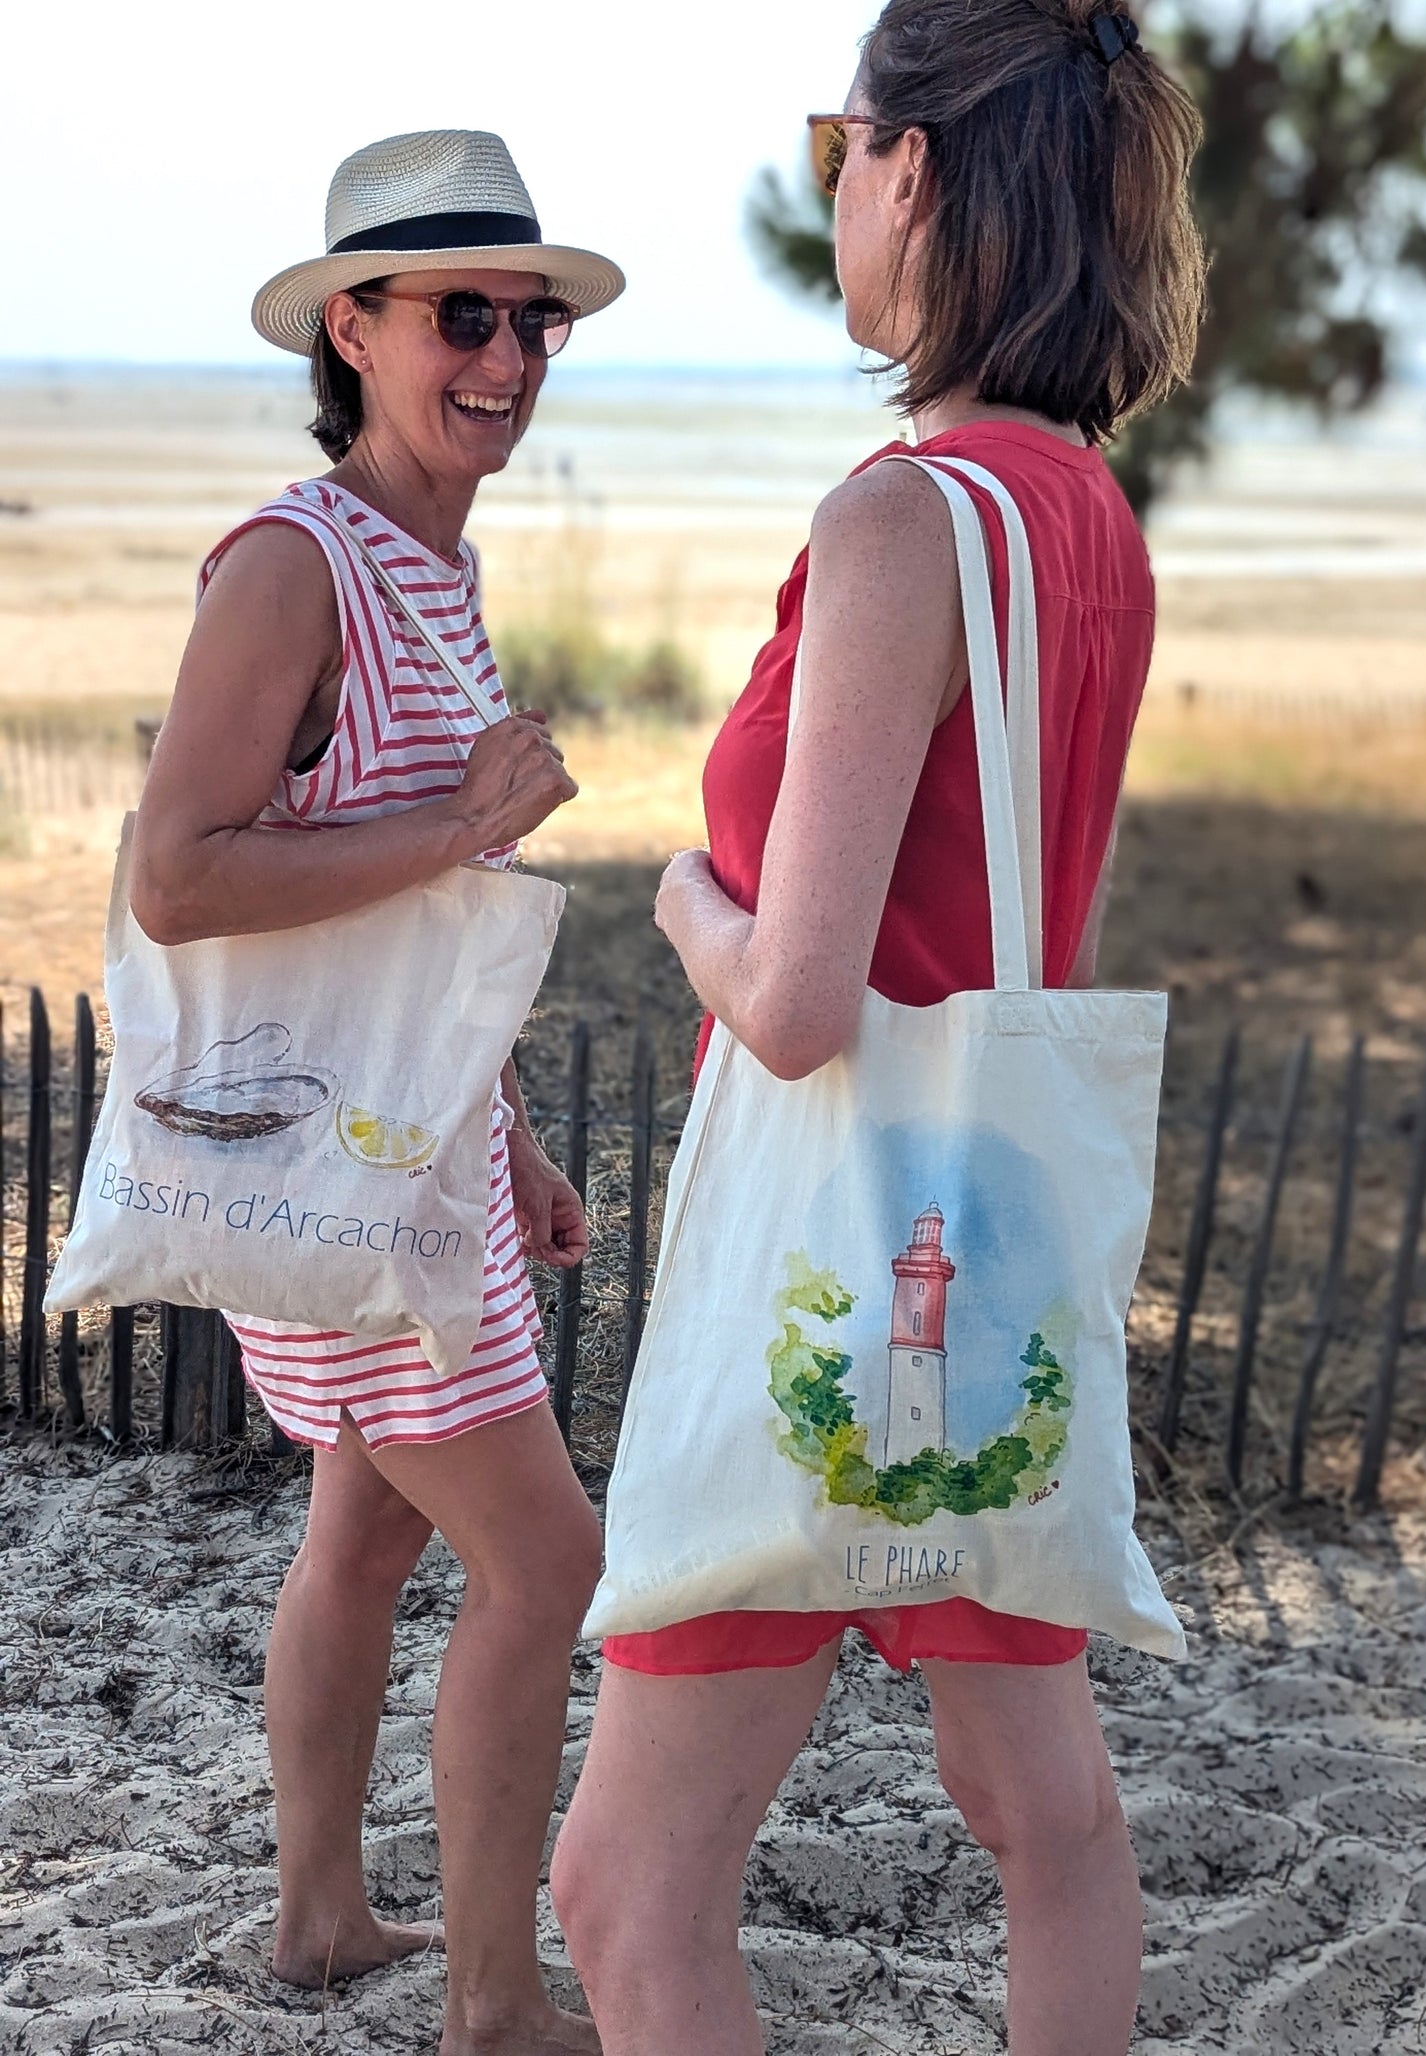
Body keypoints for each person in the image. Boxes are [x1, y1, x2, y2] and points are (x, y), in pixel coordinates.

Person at [551, 7, 1205, 2053]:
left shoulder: (896, 523)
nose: (836, 180)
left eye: (844, 140)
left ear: (913, 170)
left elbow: (806, 992)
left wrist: (682, 892)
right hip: (991, 1236)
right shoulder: (1083, 515)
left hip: (824, 1278)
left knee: (627, 1892)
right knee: (1042, 1812)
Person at [130, 130, 624, 2056]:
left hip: (410, 1162)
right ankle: (497, 2008)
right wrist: (457, 825)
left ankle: (324, 1917)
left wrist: (503, 1139)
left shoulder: (432, 556)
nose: (505, 356)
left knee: (365, 1530)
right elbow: (179, 875)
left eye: (535, 321)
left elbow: (403, 925)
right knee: (548, 1560)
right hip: (331, 1173)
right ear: (351, 324)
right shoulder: (291, 565)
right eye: (460, 316)